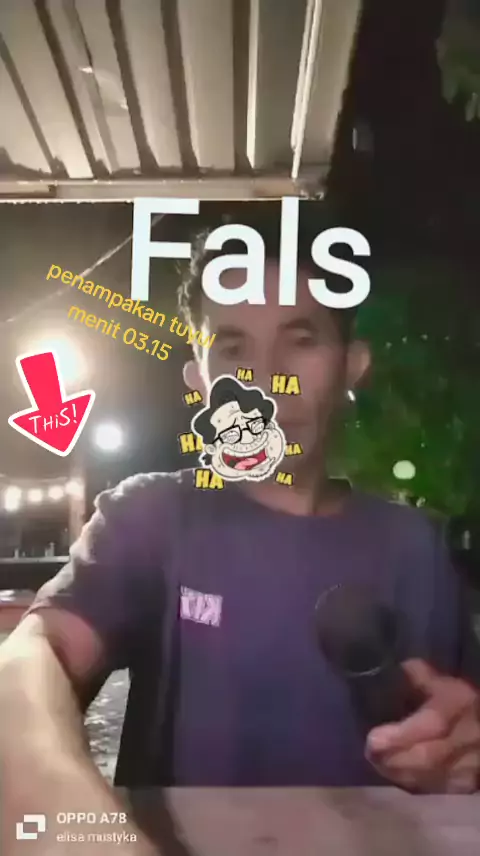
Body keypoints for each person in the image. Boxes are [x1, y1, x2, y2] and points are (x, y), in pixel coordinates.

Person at [1, 222, 479, 853]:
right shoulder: (153, 516)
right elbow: (35, 657)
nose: (265, 376)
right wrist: (67, 822)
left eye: (301, 340)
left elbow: (462, 729)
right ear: (199, 379)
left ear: (351, 365)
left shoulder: (417, 546)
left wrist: (463, 754)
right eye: (232, 347)